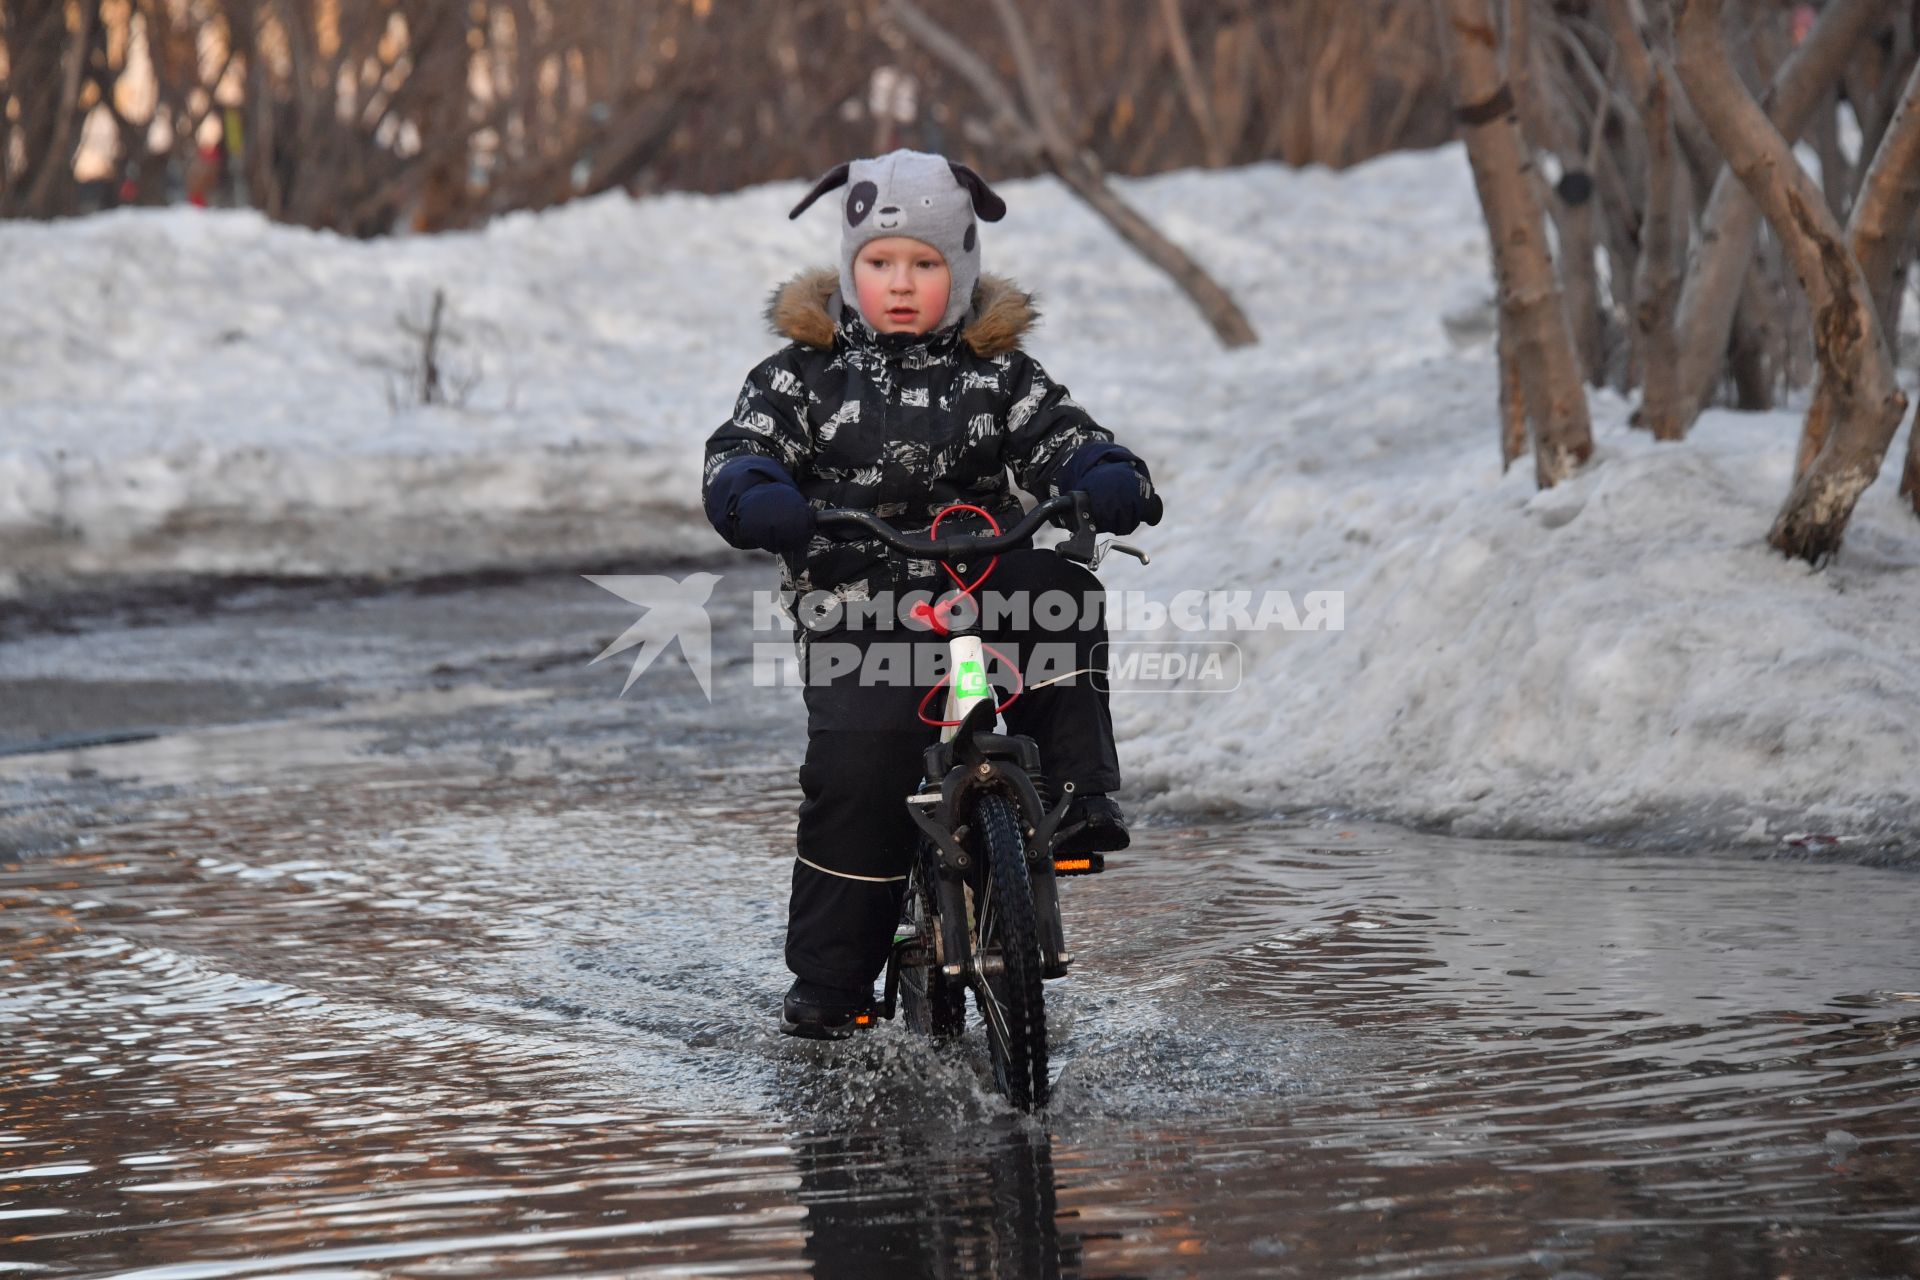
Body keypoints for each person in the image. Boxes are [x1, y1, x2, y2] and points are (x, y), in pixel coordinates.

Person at [701, 149, 1161, 1038]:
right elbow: (742, 445)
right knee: (860, 770)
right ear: (849, 271)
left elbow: (1061, 434)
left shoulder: (997, 375)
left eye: (925, 263)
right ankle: (833, 984)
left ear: (961, 271)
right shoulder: (801, 377)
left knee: (1060, 589)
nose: (901, 284)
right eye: (879, 264)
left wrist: (1101, 471)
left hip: (982, 567)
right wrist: (758, 492)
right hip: (860, 593)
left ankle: (1076, 797)